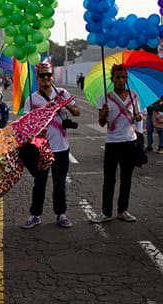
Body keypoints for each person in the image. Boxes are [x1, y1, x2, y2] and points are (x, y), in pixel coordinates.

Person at [21, 62, 80, 229]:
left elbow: (76, 112)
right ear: (37, 78)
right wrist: (45, 112)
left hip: (61, 147)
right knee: (39, 183)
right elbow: (27, 124)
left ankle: (61, 214)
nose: (46, 78)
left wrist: (68, 105)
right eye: (42, 75)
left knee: (59, 183)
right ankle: (35, 215)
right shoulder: (32, 99)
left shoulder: (62, 93)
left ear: (52, 76)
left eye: (48, 74)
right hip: (41, 148)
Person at [91, 64, 142, 223]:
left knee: (126, 178)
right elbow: (101, 123)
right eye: (118, 77)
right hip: (113, 143)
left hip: (130, 142)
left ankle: (123, 210)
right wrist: (104, 113)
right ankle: (106, 212)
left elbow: (137, 115)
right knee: (109, 180)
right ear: (112, 79)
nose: (121, 80)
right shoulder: (105, 98)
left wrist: (138, 116)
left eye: (124, 77)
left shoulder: (134, 96)